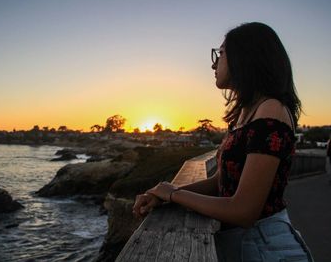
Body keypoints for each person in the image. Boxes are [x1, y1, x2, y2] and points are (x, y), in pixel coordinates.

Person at [133, 22, 314, 262]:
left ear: (244, 57)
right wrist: (163, 193)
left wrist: (174, 195)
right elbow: (221, 182)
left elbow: (244, 211)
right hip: (244, 245)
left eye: (221, 54)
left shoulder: (271, 110)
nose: (213, 63)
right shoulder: (246, 113)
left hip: (266, 248)